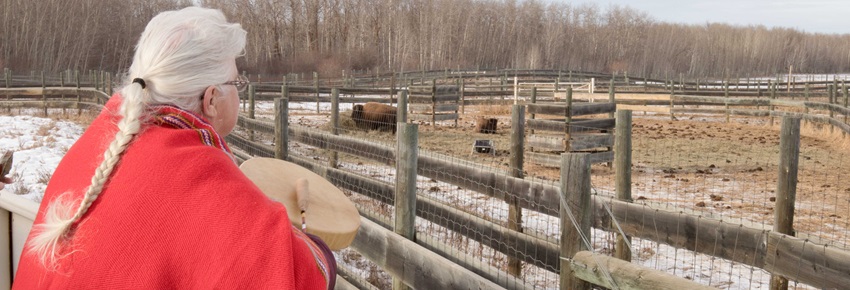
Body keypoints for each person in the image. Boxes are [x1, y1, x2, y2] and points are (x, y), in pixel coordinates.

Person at [13, 7, 335, 289]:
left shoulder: (100, 143)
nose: (239, 91)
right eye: (236, 83)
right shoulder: (202, 180)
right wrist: (317, 247)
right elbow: (298, 275)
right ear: (211, 100)